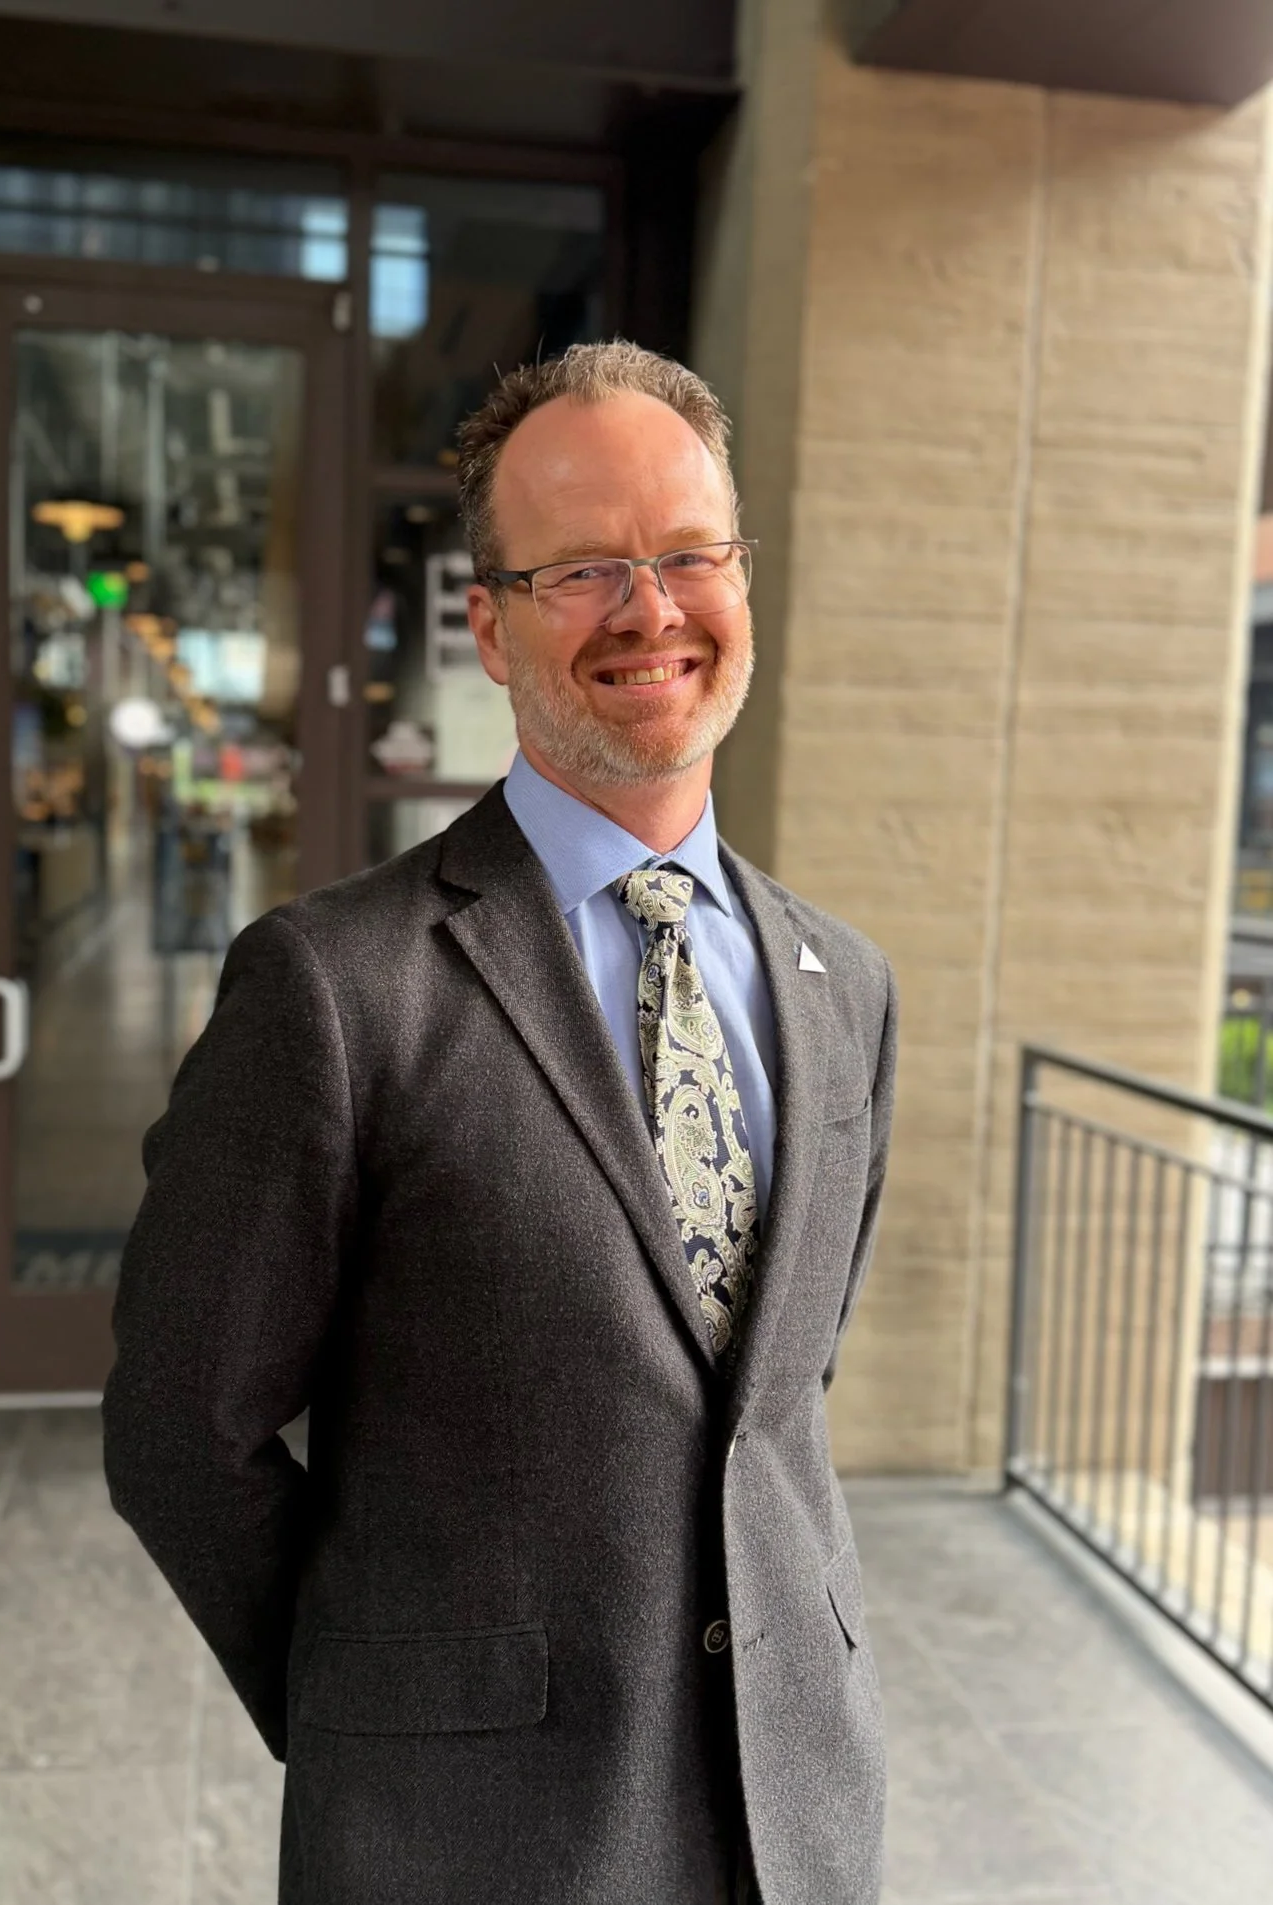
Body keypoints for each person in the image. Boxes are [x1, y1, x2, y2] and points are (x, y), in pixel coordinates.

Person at [102, 340, 898, 1905]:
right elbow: (181, 1434)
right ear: (489, 625)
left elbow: (770, 1399)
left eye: (690, 554)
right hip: (464, 1845)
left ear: (742, 579)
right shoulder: (335, 989)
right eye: (583, 568)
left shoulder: (845, 987)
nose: (651, 610)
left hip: (795, 1821)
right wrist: (378, 1719)